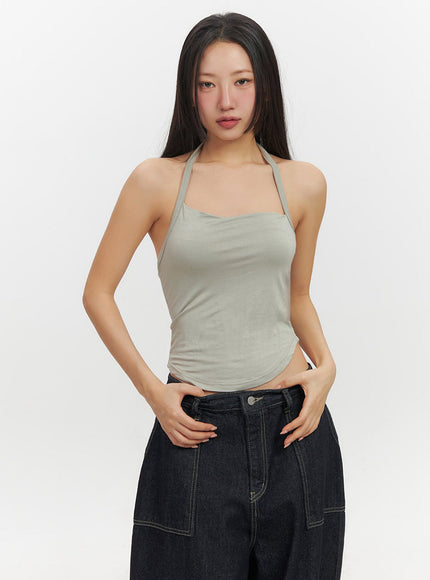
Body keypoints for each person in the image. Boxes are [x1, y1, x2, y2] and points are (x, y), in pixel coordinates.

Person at [82, 11, 346, 580]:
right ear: (190, 91)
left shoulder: (303, 183)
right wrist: (154, 392)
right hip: (197, 431)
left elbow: (297, 297)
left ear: (264, 86)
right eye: (208, 84)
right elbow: (97, 293)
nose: (226, 100)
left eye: (241, 81)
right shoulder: (156, 181)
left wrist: (326, 366)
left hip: (294, 428)